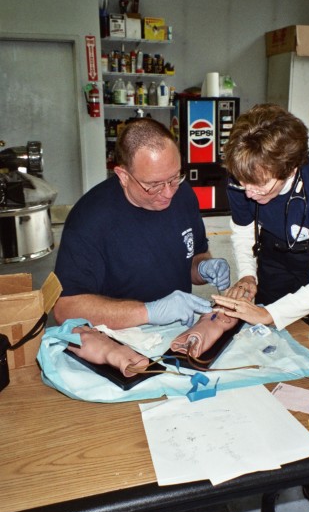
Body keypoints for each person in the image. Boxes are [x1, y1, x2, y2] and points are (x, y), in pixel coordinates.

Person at [53, 118, 230, 371]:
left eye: (174, 178)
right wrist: (149, 311)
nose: (168, 192)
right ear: (123, 176)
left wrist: (203, 267)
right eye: (154, 185)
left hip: (178, 335)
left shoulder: (184, 195)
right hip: (120, 343)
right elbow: (65, 308)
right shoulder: (90, 219)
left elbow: (194, 257)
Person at [211, 103, 309, 337]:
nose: (248, 193)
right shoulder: (243, 175)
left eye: (260, 185)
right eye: (242, 183)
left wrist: (270, 315)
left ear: (291, 168)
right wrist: (247, 274)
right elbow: (244, 230)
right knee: (267, 338)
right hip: (272, 255)